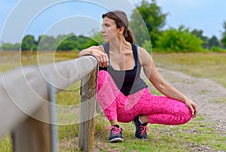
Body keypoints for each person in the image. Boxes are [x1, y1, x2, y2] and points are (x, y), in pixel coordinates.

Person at [78, 10, 198, 142]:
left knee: (185, 112)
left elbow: (161, 84)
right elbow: (81, 55)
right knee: (101, 75)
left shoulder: (140, 53)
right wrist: (90, 51)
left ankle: (141, 120)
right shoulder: (100, 51)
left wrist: (185, 99)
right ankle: (115, 127)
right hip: (118, 106)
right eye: (102, 25)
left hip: (142, 100)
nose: (102, 30)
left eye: (107, 25)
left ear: (120, 29)